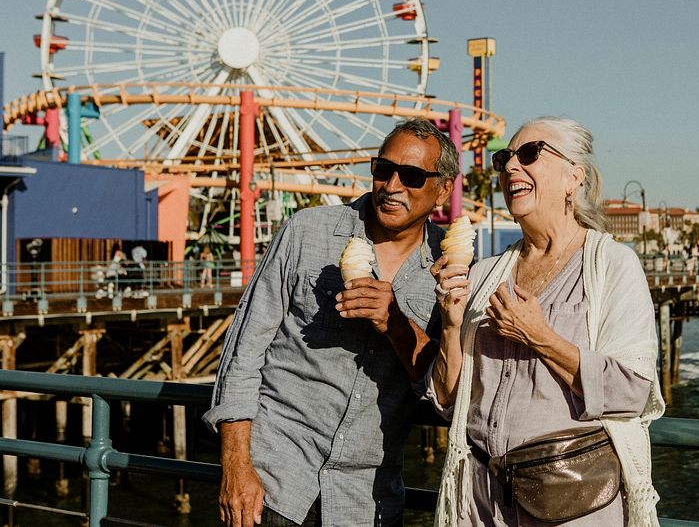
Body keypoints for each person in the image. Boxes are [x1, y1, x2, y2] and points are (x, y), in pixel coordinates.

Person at [204, 118, 459, 527]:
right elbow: (242, 353)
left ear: (444, 188)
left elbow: (446, 392)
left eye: (411, 176)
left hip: (366, 499)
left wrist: (395, 323)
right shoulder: (307, 232)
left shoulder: (450, 270)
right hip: (273, 483)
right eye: (383, 169)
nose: (392, 186)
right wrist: (236, 467)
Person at [428, 117, 664, 526]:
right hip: (481, 502)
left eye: (530, 154)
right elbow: (448, 399)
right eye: (504, 158)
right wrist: (451, 326)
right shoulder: (485, 274)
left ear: (575, 177)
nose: (510, 167)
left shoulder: (612, 266)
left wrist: (539, 336)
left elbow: (632, 391)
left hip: (571, 500)